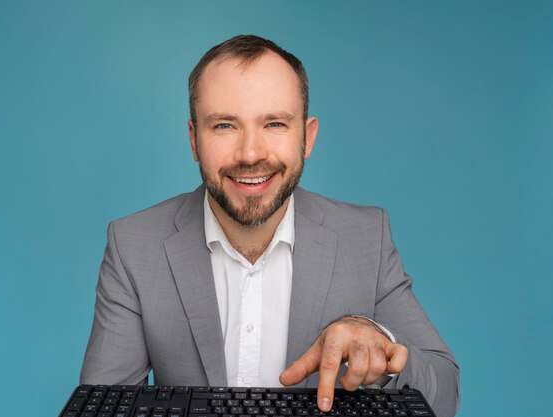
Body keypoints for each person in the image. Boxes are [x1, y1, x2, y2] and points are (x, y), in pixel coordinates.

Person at [80, 35, 459, 417]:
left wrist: (379, 350)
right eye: (225, 125)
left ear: (307, 139)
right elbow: (101, 408)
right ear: (194, 140)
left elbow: (444, 395)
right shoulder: (133, 245)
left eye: (275, 123)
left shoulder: (366, 238)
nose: (250, 154)